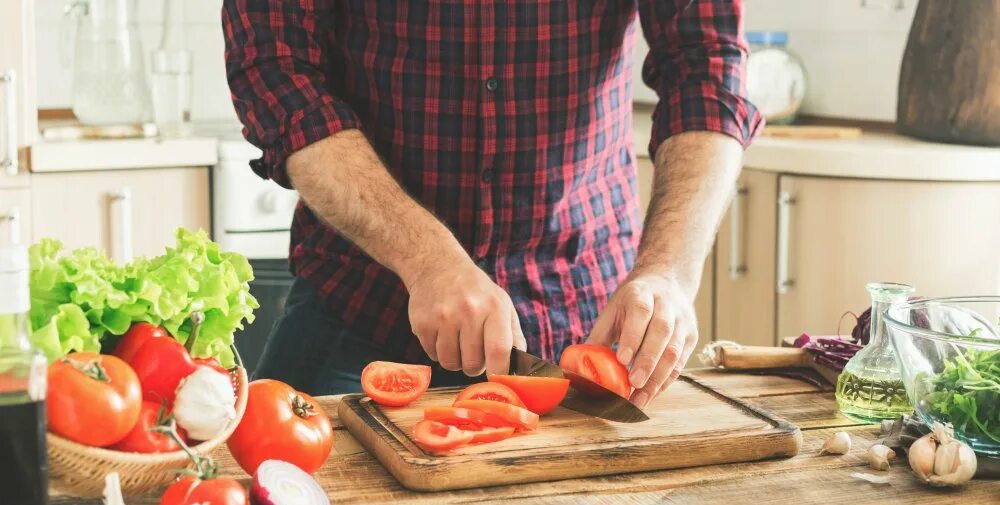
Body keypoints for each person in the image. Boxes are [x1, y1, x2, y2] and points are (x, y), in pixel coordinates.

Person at [222, 0, 761, 406]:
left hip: (585, 316)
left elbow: (706, 67)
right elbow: (275, 70)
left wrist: (669, 272)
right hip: (361, 302)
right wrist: (427, 258)